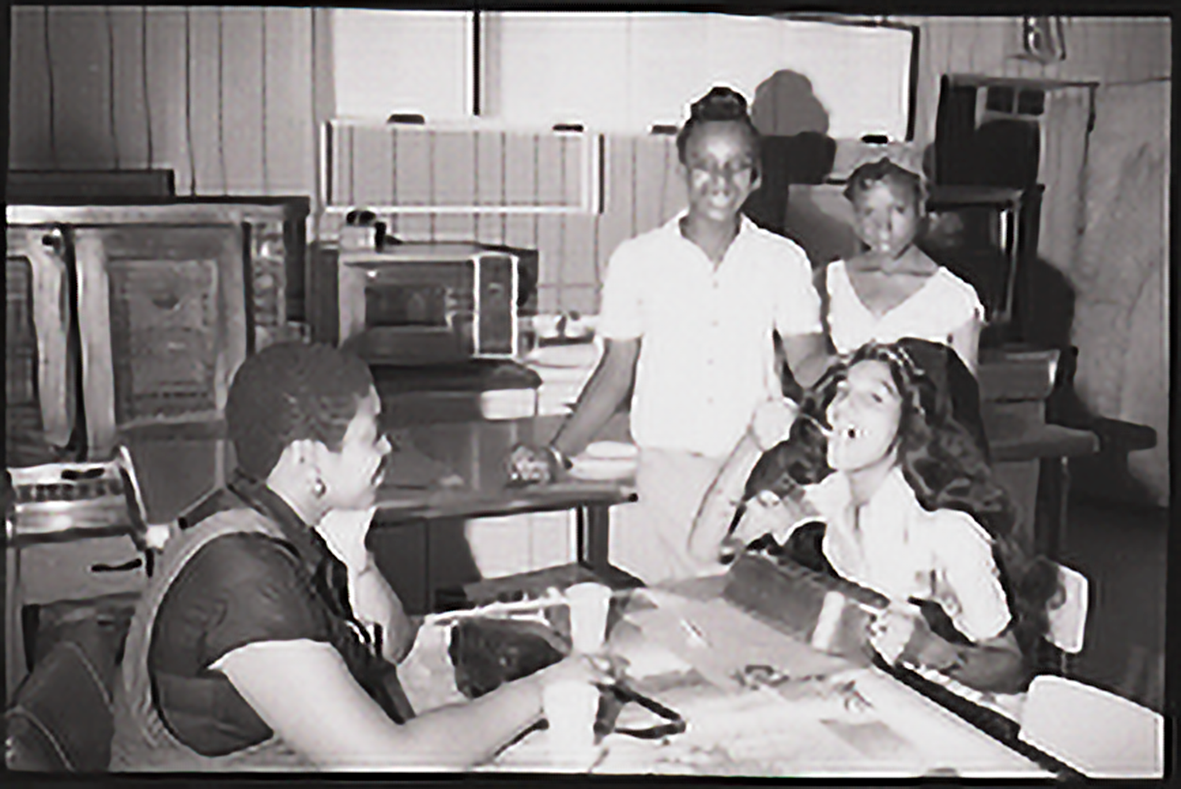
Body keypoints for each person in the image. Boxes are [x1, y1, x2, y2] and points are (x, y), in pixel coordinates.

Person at [110, 342, 605, 771]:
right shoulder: (244, 577)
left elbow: (391, 647)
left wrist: (355, 558)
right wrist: (546, 689)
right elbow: (392, 763)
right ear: (308, 458)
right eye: (372, 434)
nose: (388, 448)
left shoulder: (271, 516)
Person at [507, 86, 828, 584]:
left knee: (762, 602)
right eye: (705, 164)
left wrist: (866, 379)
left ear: (755, 175)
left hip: (759, 466)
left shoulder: (783, 260)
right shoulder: (638, 261)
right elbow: (615, 374)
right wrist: (557, 452)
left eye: (737, 165)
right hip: (671, 470)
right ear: (684, 169)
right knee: (707, 599)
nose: (720, 180)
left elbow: (809, 362)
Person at [699, 341, 1059, 694]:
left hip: (953, 713)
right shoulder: (830, 493)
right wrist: (752, 444)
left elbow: (1012, 669)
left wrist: (934, 652)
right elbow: (706, 552)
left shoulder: (946, 534)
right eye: (842, 390)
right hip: (867, 690)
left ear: (911, 426)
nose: (842, 407)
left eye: (874, 397)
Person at [821, 153, 985, 375]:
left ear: (920, 208)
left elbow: (964, 399)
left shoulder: (955, 297)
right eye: (868, 212)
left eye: (898, 210)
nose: (883, 227)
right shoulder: (829, 283)